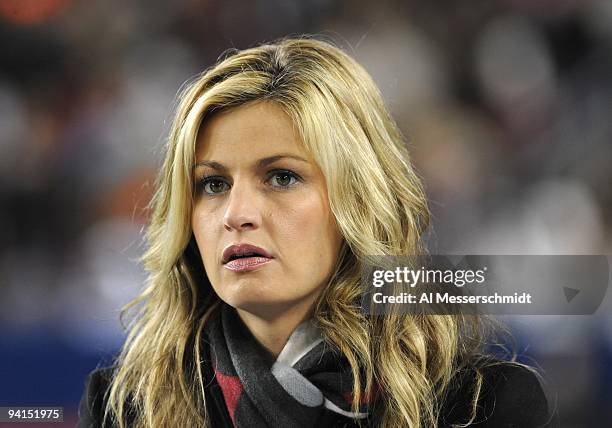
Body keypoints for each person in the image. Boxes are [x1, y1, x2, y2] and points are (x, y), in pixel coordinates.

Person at [78, 37, 553, 427]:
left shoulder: (480, 406)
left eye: (282, 177)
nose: (236, 214)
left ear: (360, 200)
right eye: (213, 184)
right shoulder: (122, 410)